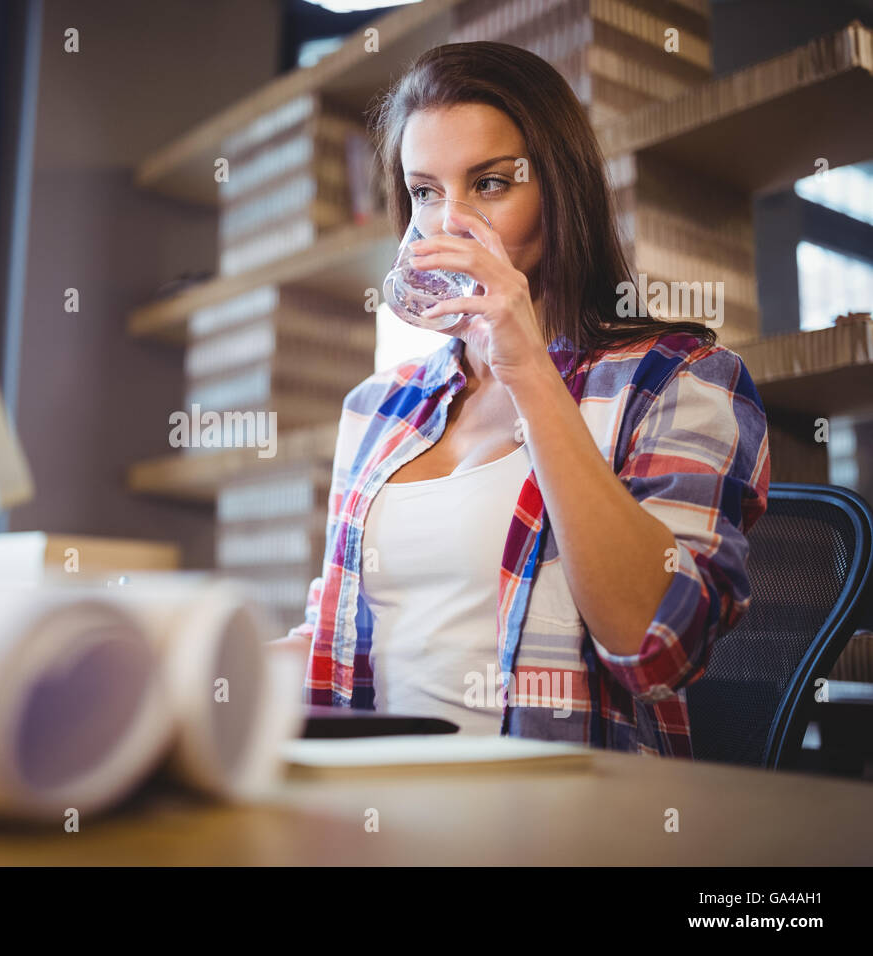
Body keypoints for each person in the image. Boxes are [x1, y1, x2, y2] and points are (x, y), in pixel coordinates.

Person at [267, 41, 770, 756]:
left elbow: (658, 647)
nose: (447, 223)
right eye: (426, 192)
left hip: (567, 820)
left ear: (558, 190)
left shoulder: (676, 378)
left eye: (492, 183)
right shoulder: (378, 406)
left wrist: (529, 368)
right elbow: (331, 644)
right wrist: (178, 665)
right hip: (376, 812)